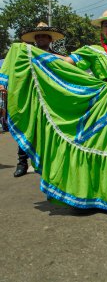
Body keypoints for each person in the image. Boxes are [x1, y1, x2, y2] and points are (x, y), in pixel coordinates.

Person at [0, 10, 107, 214]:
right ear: (101, 29)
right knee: (94, 144)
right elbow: (66, 63)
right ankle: (87, 196)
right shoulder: (92, 51)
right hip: (104, 105)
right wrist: (30, 53)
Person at [0, 22, 65, 177]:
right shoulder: (24, 54)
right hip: (29, 98)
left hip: (50, 100)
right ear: (35, 39)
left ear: (50, 39)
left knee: (51, 133)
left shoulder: (57, 57)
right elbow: (12, 67)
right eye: (38, 36)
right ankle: (22, 163)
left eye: (44, 36)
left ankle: (51, 165)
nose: (41, 38)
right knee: (26, 128)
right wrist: (4, 83)